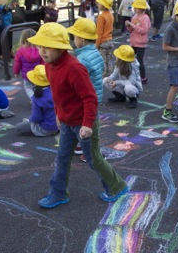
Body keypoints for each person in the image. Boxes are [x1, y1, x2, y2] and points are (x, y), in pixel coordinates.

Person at [28, 23, 129, 208]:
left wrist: (88, 124)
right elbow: (58, 94)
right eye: (39, 46)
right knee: (62, 157)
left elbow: (90, 98)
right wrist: (59, 114)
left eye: (47, 47)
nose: (42, 51)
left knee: (94, 160)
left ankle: (117, 186)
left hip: (83, 123)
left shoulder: (74, 68)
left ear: (60, 47)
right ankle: (58, 193)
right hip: (67, 122)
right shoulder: (49, 65)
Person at [66, 17, 104, 104]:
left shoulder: (83, 58)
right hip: (96, 94)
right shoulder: (95, 51)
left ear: (82, 38)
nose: (74, 40)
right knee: (94, 115)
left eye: (75, 37)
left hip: (85, 98)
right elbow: (101, 66)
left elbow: (76, 77)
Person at [14, 65, 59, 136]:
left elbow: (36, 118)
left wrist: (31, 120)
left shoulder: (37, 97)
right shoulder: (56, 91)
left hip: (45, 128)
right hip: (59, 126)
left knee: (18, 127)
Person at [126, 0, 151, 84]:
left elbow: (144, 30)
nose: (135, 8)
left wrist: (132, 25)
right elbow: (131, 30)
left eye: (137, 7)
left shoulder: (145, 18)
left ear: (142, 8)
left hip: (141, 43)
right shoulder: (134, 17)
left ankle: (143, 77)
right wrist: (128, 26)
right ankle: (130, 76)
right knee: (129, 59)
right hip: (133, 42)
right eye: (135, 7)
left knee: (139, 60)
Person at [13, 28, 43, 100]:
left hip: (27, 75)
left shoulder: (20, 51)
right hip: (38, 74)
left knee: (28, 88)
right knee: (39, 86)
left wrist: (16, 72)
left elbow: (17, 63)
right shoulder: (40, 50)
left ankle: (33, 99)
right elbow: (43, 62)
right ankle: (40, 99)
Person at [95, 0, 115, 77]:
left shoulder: (101, 16)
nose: (98, 4)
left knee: (102, 60)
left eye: (99, 3)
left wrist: (96, 44)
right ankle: (111, 75)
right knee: (109, 59)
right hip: (109, 40)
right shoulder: (110, 15)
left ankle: (103, 76)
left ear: (103, 5)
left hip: (102, 41)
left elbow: (99, 32)